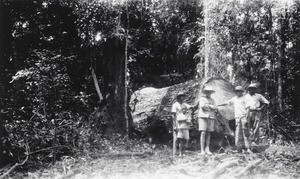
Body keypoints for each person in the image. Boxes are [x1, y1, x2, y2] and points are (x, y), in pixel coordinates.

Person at [218, 86, 252, 153]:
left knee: (246, 132)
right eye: (236, 91)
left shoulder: (245, 98)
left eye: (239, 91)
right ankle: (239, 147)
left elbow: (248, 109)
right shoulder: (235, 99)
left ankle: (248, 148)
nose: (238, 93)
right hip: (237, 118)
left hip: (244, 117)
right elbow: (227, 102)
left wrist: (247, 118)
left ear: (242, 92)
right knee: (238, 132)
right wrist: (219, 104)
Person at [171, 92, 197, 157]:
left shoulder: (184, 104)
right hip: (178, 123)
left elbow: (191, 107)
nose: (183, 98)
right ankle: (175, 153)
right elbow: (173, 115)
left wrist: (197, 105)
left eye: (184, 96)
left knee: (183, 139)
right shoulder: (175, 105)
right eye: (182, 96)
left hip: (184, 124)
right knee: (176, 139)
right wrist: (174, 125)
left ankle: (182, 153)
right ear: (179, 97)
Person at [198, 86, 217, 155]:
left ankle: (207, 148)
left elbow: (215, 107)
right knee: (203, 132)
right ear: (205, 92)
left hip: (211, 117)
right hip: (203, 116)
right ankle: (202, 149)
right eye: (207, 92)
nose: (208, 93)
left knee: (209, 133)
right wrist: (210, 107)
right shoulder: (202, 98)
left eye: (210, 92)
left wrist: (209, 106)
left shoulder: (212, 100)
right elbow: (202, 106)